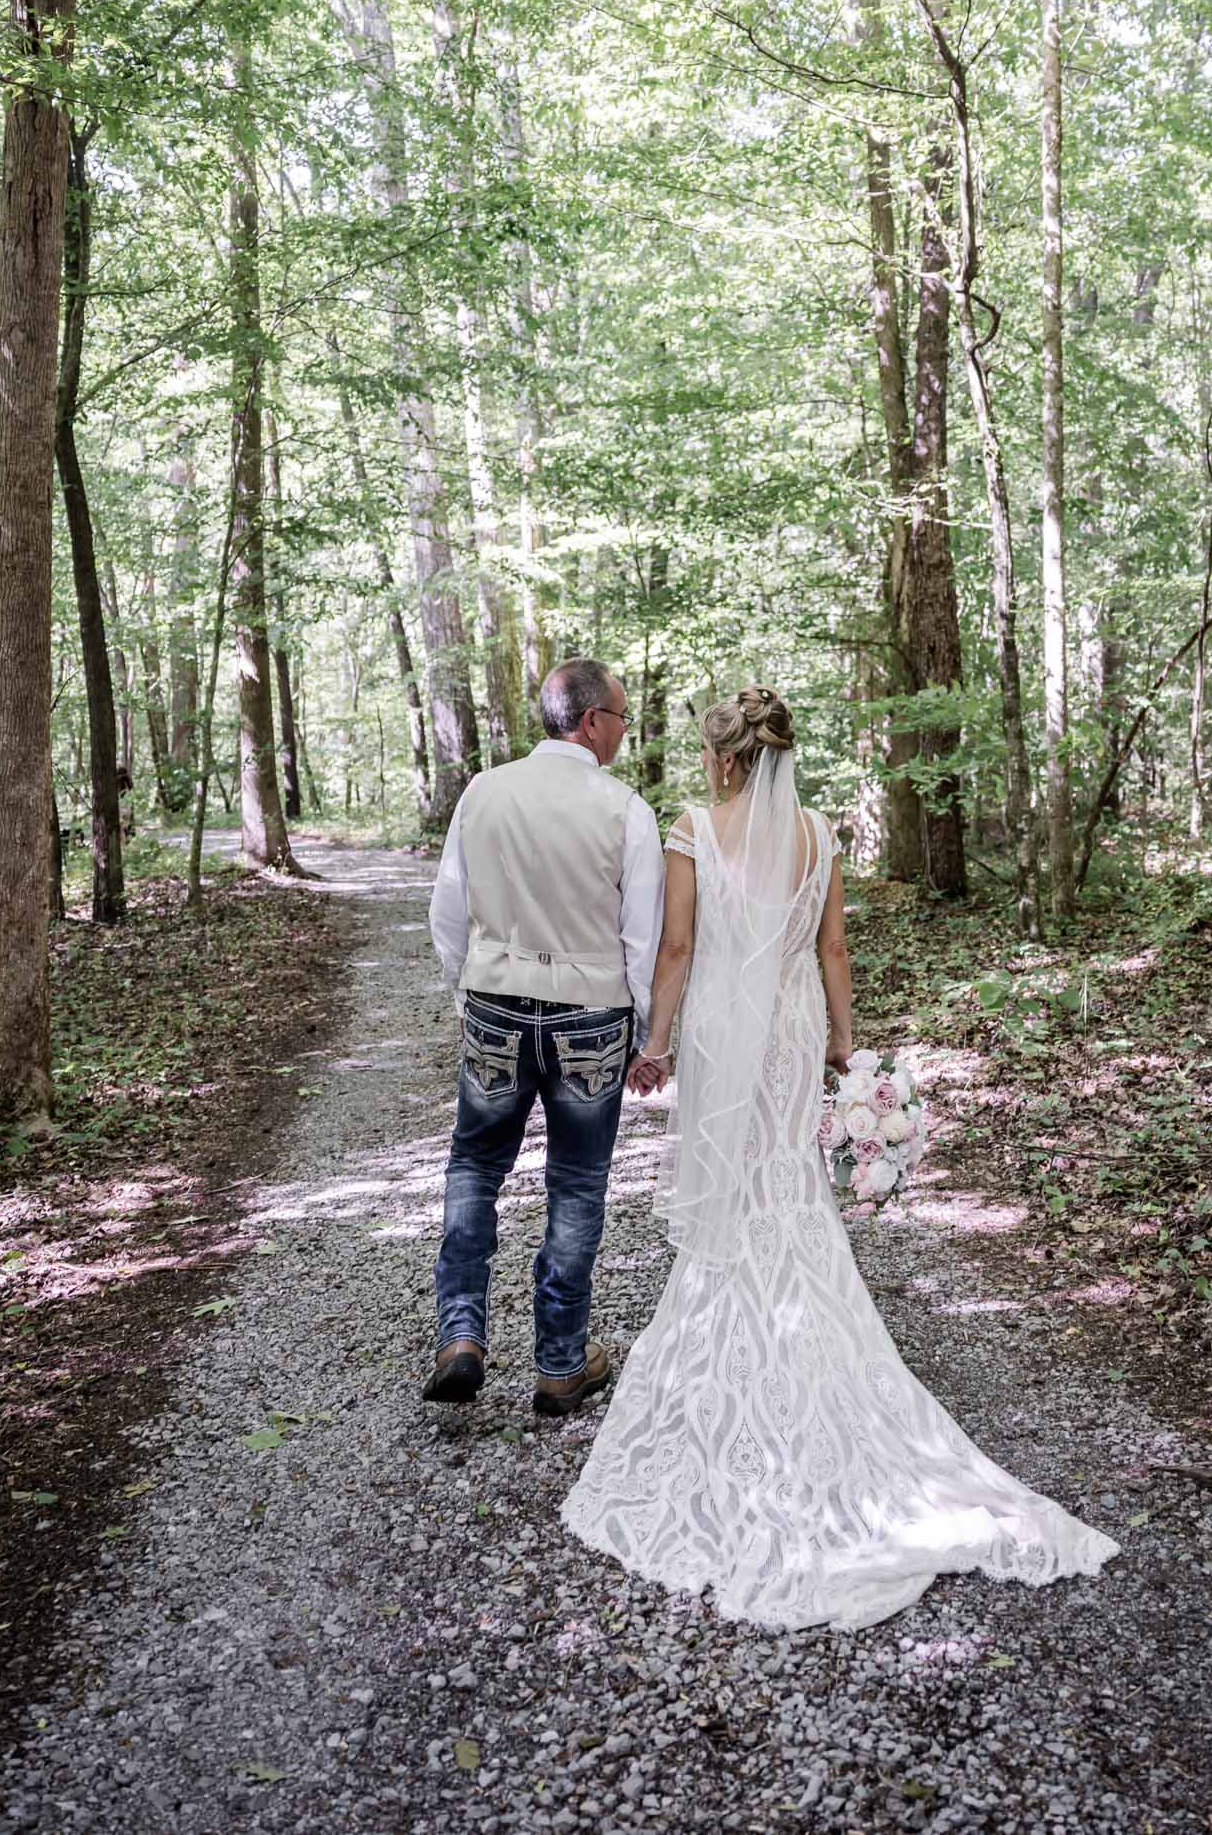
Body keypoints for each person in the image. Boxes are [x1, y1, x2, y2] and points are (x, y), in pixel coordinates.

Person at [561, 685, 1120, 1630]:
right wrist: (844, 1047)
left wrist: (654, 1043)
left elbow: (679, 948)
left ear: (725, 758)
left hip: (722, 1027)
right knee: (787, 1182)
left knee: (738, 1189)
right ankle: (811, 1345)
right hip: (791, 1025)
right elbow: (833, 950)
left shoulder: (692, 828)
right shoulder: (818, 834)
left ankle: (741, 1347)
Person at [425, 658, 665, 1416]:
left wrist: (469, 991)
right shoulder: (626, 811)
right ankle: (560, 1363)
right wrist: (646, 1035)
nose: (624, 733)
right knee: (577, 1182)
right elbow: (642, 938)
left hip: (496, 999)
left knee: (475, 1165)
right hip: (591, 1013)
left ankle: (460, 1335)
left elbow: (448, 910)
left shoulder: (484, 791)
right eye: (621, 718)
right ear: (591, 722)